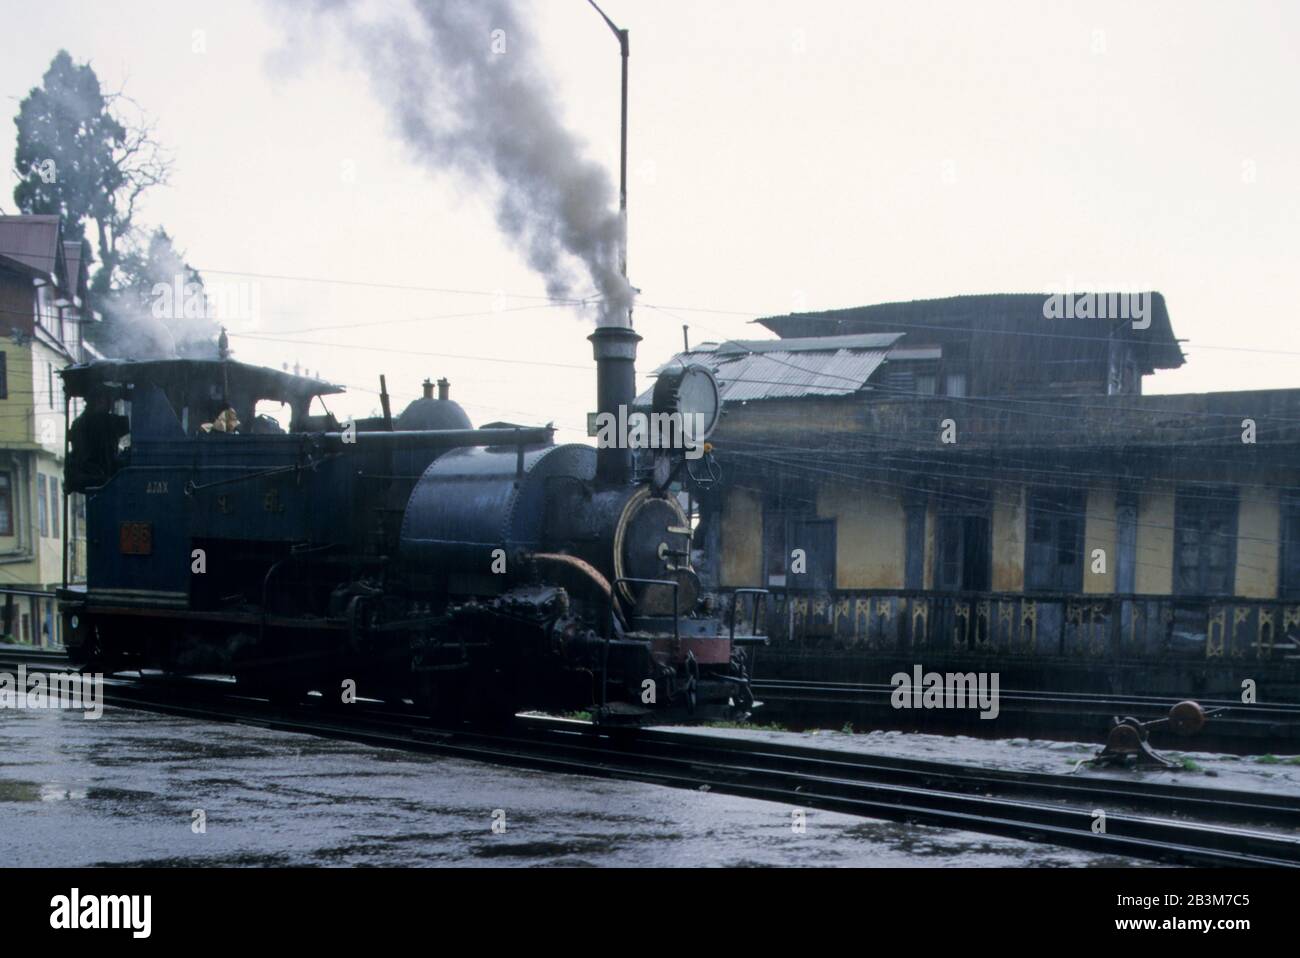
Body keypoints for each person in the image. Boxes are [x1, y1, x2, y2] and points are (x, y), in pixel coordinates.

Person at [66, 392, 130, 492]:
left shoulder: (78, 422)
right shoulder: (102, 421)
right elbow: (129, 425)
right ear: (99, 401)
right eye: (108, 400)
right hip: (95, 475)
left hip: (87, 474)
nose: (110, 405)